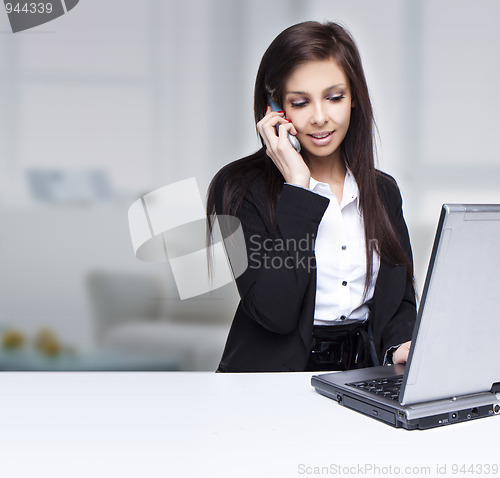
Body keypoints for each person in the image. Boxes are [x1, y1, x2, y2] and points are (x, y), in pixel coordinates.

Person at [206, 21, 416, 372]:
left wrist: (398, 345)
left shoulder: (383, 191)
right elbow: (275, 312)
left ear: (354, 99)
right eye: (301, 102)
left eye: (335, 97)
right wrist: (297, 188)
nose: (320, 117)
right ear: (275, 107)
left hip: (360, 376)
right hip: (270, 382)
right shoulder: (239, 187)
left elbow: (398, 301)